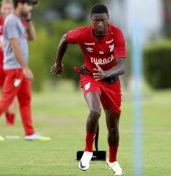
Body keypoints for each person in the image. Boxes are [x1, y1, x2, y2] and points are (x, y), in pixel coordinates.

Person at [51, 4, 126, 175]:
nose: (100, 24)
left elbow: (122, 67)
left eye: (103, 20)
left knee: (113, 126)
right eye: (96, 20)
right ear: (91, 20)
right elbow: (64, 39)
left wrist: (105, 73)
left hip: (112, 82)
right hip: (90, 76)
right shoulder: (83, 33)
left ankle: (113, 161)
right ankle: (87, 151)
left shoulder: (117, 34)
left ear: (108, 20)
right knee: (94, 111)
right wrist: (58, 62)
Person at [0, 0, 50, 142]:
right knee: (6, 100)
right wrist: (25, 67)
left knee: (25, 100)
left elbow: (32, 37)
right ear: (20, 4)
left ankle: (29, 133)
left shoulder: (20, 21)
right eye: (28, 5)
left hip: (19, 68)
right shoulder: (11, 21)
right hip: (15, 68)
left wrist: (28, 19)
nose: (30, 8)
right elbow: (15, 46)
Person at [0, 0, 17, 126]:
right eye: (4, 8)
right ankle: (8, 119)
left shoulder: (16, 23)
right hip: (0, 64)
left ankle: (10, 121)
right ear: (1, 9)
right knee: (4, 94)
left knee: (12, 93)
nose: (6, 10)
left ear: (12, 9)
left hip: (13, 64)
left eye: (9, 8)